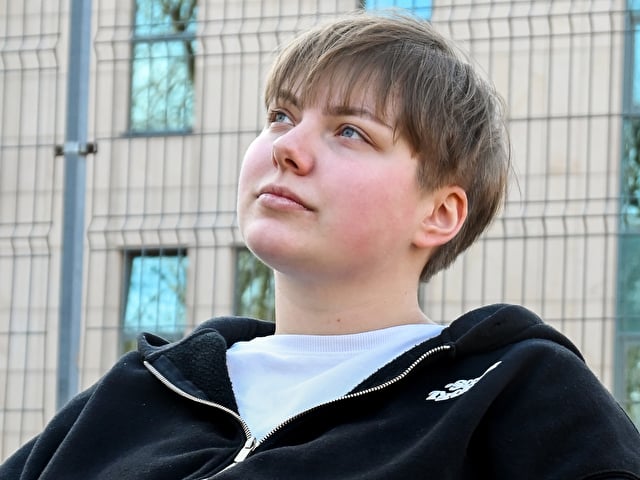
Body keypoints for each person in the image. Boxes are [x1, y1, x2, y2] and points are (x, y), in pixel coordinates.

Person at [2, 10, 640, 480]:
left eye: (351, 131)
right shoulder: (140, 389)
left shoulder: (515, 390)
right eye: (281, 115)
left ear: (439, 213)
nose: (286, 147)